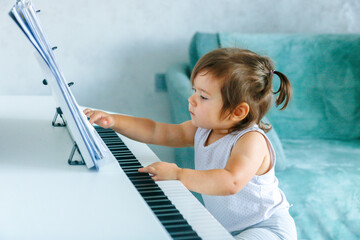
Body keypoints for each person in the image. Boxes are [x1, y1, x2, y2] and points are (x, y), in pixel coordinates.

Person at [84, 48, 297, 240]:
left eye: (203, 97)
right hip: (228, 229)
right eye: (194, 90)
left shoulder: (251, 140)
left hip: (268, 228)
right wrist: (114, 120)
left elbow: (231, 182)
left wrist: (179, 174)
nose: (192, 99)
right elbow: (157, 131)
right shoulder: (203, 129)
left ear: (238, 111)